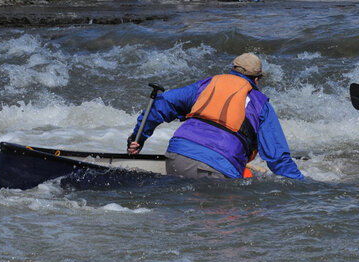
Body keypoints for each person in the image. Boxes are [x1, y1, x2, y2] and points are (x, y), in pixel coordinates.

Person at [127, 53, 304, 180]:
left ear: (232, 70)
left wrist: (137, 138)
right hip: (217, 168)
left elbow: (161, 103)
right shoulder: (261, 104)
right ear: (256, 80)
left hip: (176, 156)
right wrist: (303, 187)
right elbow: (278, 158)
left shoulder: (206, 84)